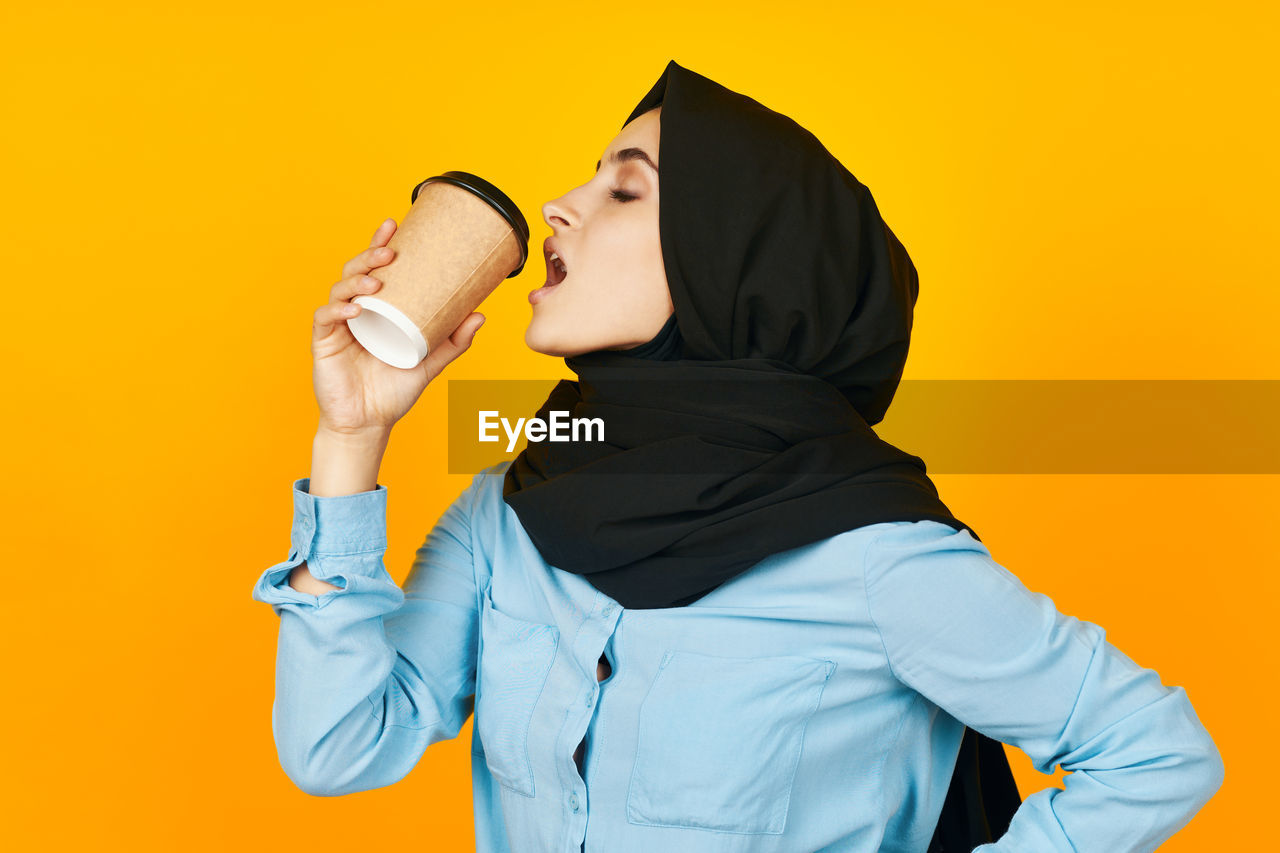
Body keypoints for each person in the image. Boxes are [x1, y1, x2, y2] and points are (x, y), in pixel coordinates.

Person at [251, 61, 1224, 852]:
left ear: (729, 262)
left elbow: (1152, 754)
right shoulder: (517, 494)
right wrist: (353, 433)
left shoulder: (874, 558)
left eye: (624, 188)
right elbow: (338, 747)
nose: (558, 205)